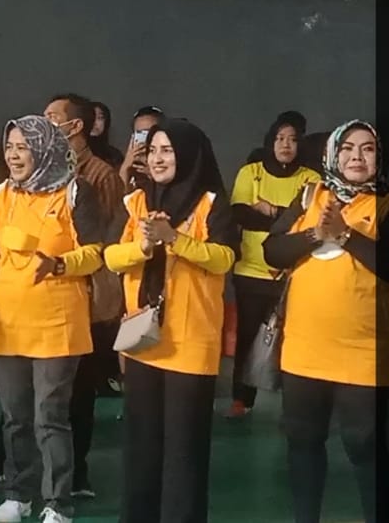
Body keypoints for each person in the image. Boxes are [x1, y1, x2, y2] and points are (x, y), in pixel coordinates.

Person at [0, 115, 106, 523]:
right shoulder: (0, 195)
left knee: (50, 417)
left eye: (23, 147)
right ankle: (18, 494)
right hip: (7, 322)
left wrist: (60, 264)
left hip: (58, 324)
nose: (14, 156)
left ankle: (58, 503)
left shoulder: (75, 191)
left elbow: (95, 253)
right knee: (16, 418)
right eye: (10, 147)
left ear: (45, 149)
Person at [103, 119, 237, 523]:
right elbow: (111, 256)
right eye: (153, 151)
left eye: (168, 150)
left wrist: (175, 239)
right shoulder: (135, 200)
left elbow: (224, 258)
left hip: (191, 342)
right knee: (142, 445)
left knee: (184, 450)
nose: (157, 159)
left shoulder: (212, 203)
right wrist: (144, 245)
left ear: (190, 155)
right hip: (143, 340)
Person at [263, 120, 384, 523]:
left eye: (367, 149)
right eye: (347, 148)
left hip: (365, 352)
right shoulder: (310, 195)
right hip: (304, 349)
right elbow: (272, 251)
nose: (356, 156)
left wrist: (346, 235)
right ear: (332, 154)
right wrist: (316, 234)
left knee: (365, 446)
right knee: (303, 442)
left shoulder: (383, 203)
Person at [44, 93, 125, 499]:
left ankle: (77, 473)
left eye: (51, 117)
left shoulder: (101, 176)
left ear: (75, 126)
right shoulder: (43, 173)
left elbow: (108, 241)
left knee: (79, 391)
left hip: (88, 301)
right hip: (47, 297)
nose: (44, 124)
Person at [225, 111, 320, 419]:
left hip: (293, 273)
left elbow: (307, 226)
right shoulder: (250, 172)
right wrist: (285, 220)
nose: (286, 145)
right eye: (280, 138)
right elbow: (240, 214)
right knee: (247, 337)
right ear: (270, 141)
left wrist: (271, 211)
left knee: (293, 341)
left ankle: (292, 405)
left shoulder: (311, 179)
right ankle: (241, 401)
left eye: (293, 139)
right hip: (250, 271)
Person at [119, 106, 164, 190]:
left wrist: (155, 174)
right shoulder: (129, 167)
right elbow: (118, 196)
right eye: (139, 133)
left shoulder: (169, 162)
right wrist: (125, 168)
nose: (145, 138)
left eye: (149, 132)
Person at [88, 101, 124, 169]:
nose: (94, 122)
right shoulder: (74, 153)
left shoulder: (114, 155)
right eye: (91, 117)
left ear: (106, 122)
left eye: (100, 118)